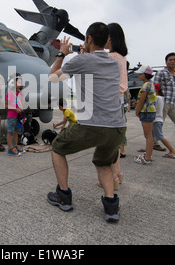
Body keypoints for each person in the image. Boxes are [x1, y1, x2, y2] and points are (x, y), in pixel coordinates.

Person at [47, 22, 126, 223]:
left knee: (57, 148)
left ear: (89, 39)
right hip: (117, 126)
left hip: (93, 124)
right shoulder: (114, 62)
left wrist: (62, 54)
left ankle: (63, 196)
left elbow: (52, 78)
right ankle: (111, 206)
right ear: (107, 39)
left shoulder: (82, 61)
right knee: (103, 162)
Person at [104, 22, 128, 189]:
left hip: (107, 104)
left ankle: (111, 179)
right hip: (118, 104)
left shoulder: (110, 57)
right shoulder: (122, 57)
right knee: (114, 143)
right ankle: (118, 174)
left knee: (105, 145)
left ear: (109, 37)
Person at [134, 65, 157, 164]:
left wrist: (137, 111)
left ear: (146, 75)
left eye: (140, 74)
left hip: (146, 112)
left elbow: (142, 100)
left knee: (148, 135)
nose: (138, 75)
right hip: (150, 111)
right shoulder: (150, 84)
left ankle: (147, 157)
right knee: (149, 135)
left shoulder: (146, 85)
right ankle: (148, 155)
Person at [153, 83, 175, 159]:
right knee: (151, 136)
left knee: (160, 136)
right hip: (157, 119)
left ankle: (172, 150)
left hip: (156, 120)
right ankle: (148, 150)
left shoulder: (157, 98)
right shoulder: (161, 98)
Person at [5, 73, 25, 156]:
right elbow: (6, 105)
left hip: (18, 116)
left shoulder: (18, 93)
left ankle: (15, 146)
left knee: (16, 131)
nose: (20, 84)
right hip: (12, 116)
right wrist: (15, 109)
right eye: (18, 82)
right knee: (10, 132)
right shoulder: (10, 94)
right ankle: (10, 148)